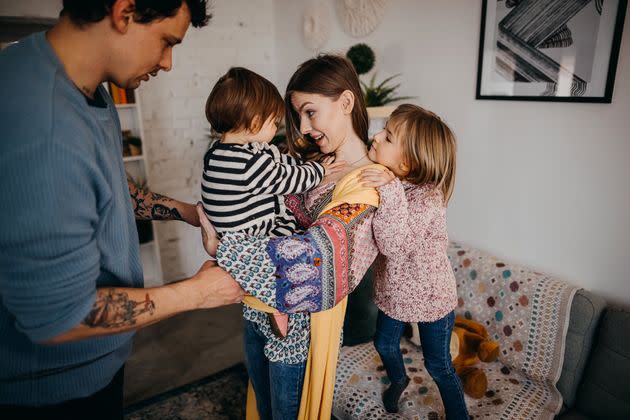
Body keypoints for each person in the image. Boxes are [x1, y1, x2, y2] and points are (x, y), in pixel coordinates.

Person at [0, 1, 243, 418]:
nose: (167, 63)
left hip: (95, 365)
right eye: (167, 42)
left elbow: (109, 188)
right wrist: (200, 293)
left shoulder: (85, 86)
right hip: (49, 392)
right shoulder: (44, 126)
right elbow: (60, 317)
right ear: (124, 11)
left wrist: (186, 211)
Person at [199, 54, 385, 420]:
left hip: (300, 324)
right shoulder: (308, 160)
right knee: (263, 406)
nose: (301, 127)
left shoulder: (368, 184)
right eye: (297, 115)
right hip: (255, 307)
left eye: (310, 112)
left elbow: (313, 261)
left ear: (346, 103)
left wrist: (222, 248)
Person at [198, 66, 345, 337]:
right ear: (255, 124)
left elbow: (273, 160)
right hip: (252, 236)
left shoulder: (218, 151)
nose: (275, 128)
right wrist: (321, 171)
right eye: (273, 123)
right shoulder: (249, 163)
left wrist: (290, 158)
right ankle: (280, 305)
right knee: (295, 243)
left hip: (230, 231)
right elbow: (288, 179)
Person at [359, 104, 469, 418]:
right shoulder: (391, 181)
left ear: (407, 162)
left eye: (388, 136)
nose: (377, 136)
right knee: (384, 343)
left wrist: (388, 188)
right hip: (396, 293)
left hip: (432, 296)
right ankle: (400, 379)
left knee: (438, 365)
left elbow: (395, 245)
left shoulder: (427, 197)